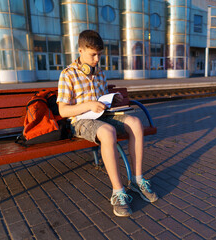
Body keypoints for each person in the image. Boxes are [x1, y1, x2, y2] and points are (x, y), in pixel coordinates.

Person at [57, 30, 158, 217]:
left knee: (135, 122)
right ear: (80, 50)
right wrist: (87, 105)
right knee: (108, 132)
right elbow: (63, 111)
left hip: (102, 116)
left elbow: (102, 101)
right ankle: (118, 192)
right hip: (81, 121)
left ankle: (136, 180)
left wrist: (113, 99)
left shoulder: (100, 74)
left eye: (99, 55)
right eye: (93, 55)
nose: (97, 59)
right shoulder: (67, 75)